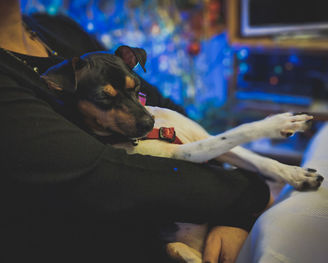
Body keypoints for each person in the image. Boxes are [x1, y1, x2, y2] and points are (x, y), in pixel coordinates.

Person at [0, 1, 272, 262]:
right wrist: (247, 192)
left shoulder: (58, 28)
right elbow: (107, 177)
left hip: (184, 219)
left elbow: (162, 108)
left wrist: (232, 216)